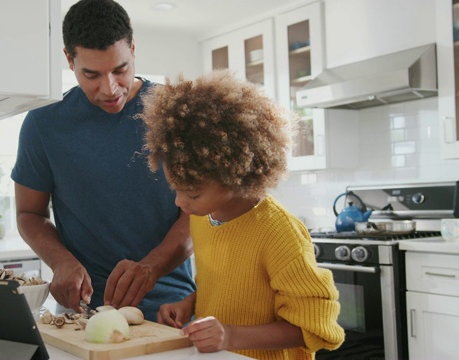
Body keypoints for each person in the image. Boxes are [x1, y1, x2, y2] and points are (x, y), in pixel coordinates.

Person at [10, 0, 195, 322]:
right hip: (82, 315)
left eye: (120, 70)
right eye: (92, 74)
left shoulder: (177, 112)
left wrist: (152, 267)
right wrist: (61, 261)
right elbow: (29, 213)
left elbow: (202, 214)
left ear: (133, 49)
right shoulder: (44, 124)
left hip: (171, 312)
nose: (109, 89)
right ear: (69, 60)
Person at [140, 70, 345, 359]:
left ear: (235, 174)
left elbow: (316, 326)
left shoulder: (279, 232)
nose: (180, 202)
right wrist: (190, 303)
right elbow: (232, 288)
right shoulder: (203, 218)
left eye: (193, 193)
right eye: (175, 188)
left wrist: (230, 334)